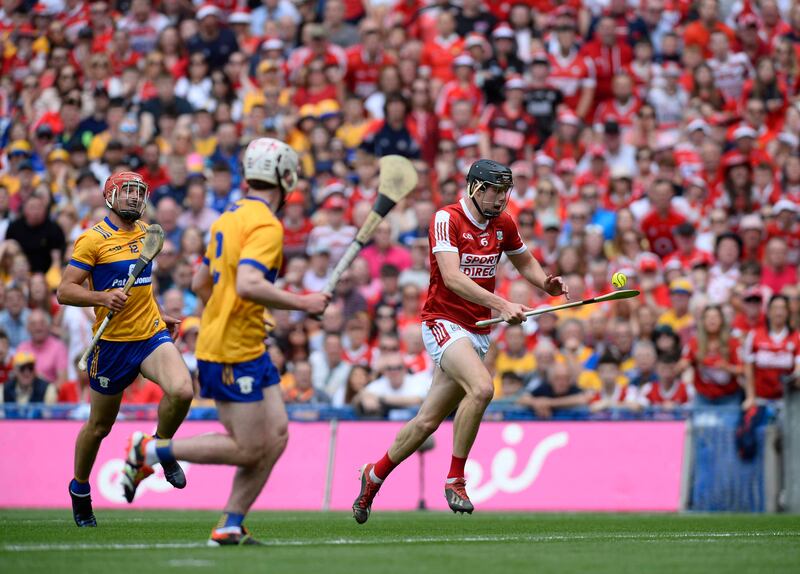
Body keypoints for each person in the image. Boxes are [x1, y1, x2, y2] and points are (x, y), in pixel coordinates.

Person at [122, 138, 329, 546]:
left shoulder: (227, 217)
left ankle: (230, 523)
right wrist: (304, 302)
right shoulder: (267, 224)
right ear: (286, 178)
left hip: (243, 341)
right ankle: (149, 450)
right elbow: (250, 283)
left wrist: (231, 313)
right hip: (232, 349)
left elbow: (202, 282)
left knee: (278, 434)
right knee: (250, 448)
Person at [352, 159, 567, 522]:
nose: (501, 199)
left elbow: (524, 262)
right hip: (443, 322)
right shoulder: (446, 219)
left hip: (478, 329)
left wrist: (545, 283)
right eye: (494, 191)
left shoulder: (504, 223)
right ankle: (455, 479)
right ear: (475, 188)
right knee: (482, 389)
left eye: (505, 192)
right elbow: (451, 278)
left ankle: (373, 476)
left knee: (426, 422)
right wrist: (502, 303)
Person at [57, 171, 193, 527]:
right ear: (110, 197)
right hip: (112, 345)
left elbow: (142, 287)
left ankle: (160, 448)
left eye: (138, 192)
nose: (134, 198)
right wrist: (101, 296)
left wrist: (160, 313)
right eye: (127, 192)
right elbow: (64, 291)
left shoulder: (149, 233)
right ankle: (80, 489)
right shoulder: (92, 240)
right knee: (99, 426)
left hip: (149, 335)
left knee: (182, 390)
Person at [743, 294, 800, 409]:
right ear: (768, 312)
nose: (779, 313)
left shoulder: (796, 337)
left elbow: (798, 369)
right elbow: (748, 369)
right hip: (760, 399)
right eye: (775, 308)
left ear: (788, 312)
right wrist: (750, 397)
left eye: (783, 308)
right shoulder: (754, 335)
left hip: (787, 401)